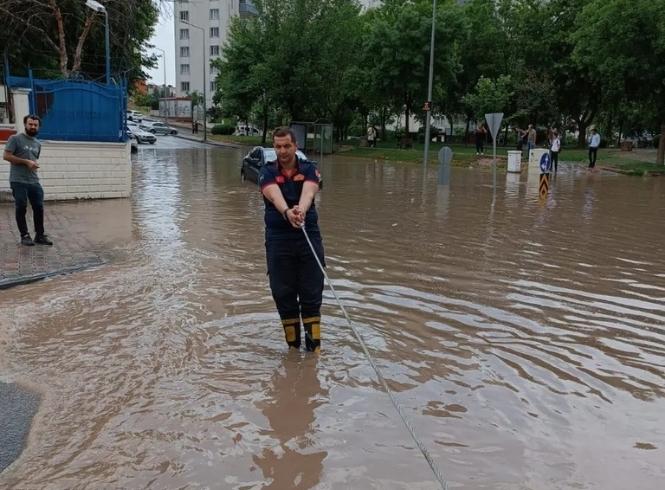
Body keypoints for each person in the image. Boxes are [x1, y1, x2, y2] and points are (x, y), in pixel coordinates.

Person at [259, 127, 324, 352]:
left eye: (287, 146)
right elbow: (273, 194)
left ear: (295, 146)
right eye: (277, 146)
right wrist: (287, 212)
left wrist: (301, 211)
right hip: (278, 239)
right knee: (283, 293)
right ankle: (293, 351)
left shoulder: (309, 169)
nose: (282, 151)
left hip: (308, 237)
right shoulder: (266, 171)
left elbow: (309, 192)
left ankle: (313, 350)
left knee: (312, 293)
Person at [3, 115, 53, 246]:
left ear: (38, 127)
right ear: (25, 124)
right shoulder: (15, 139)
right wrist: (26, 162)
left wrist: (32, 164)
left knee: (39, 207)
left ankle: (40, 235)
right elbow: (6, 156)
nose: (32, 127)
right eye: (30, 124)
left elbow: (34, 159)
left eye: (35, 125)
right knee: (21, 206)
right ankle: (24, 235)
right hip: (18, 180)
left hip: (33, 180)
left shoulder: (37, 143)